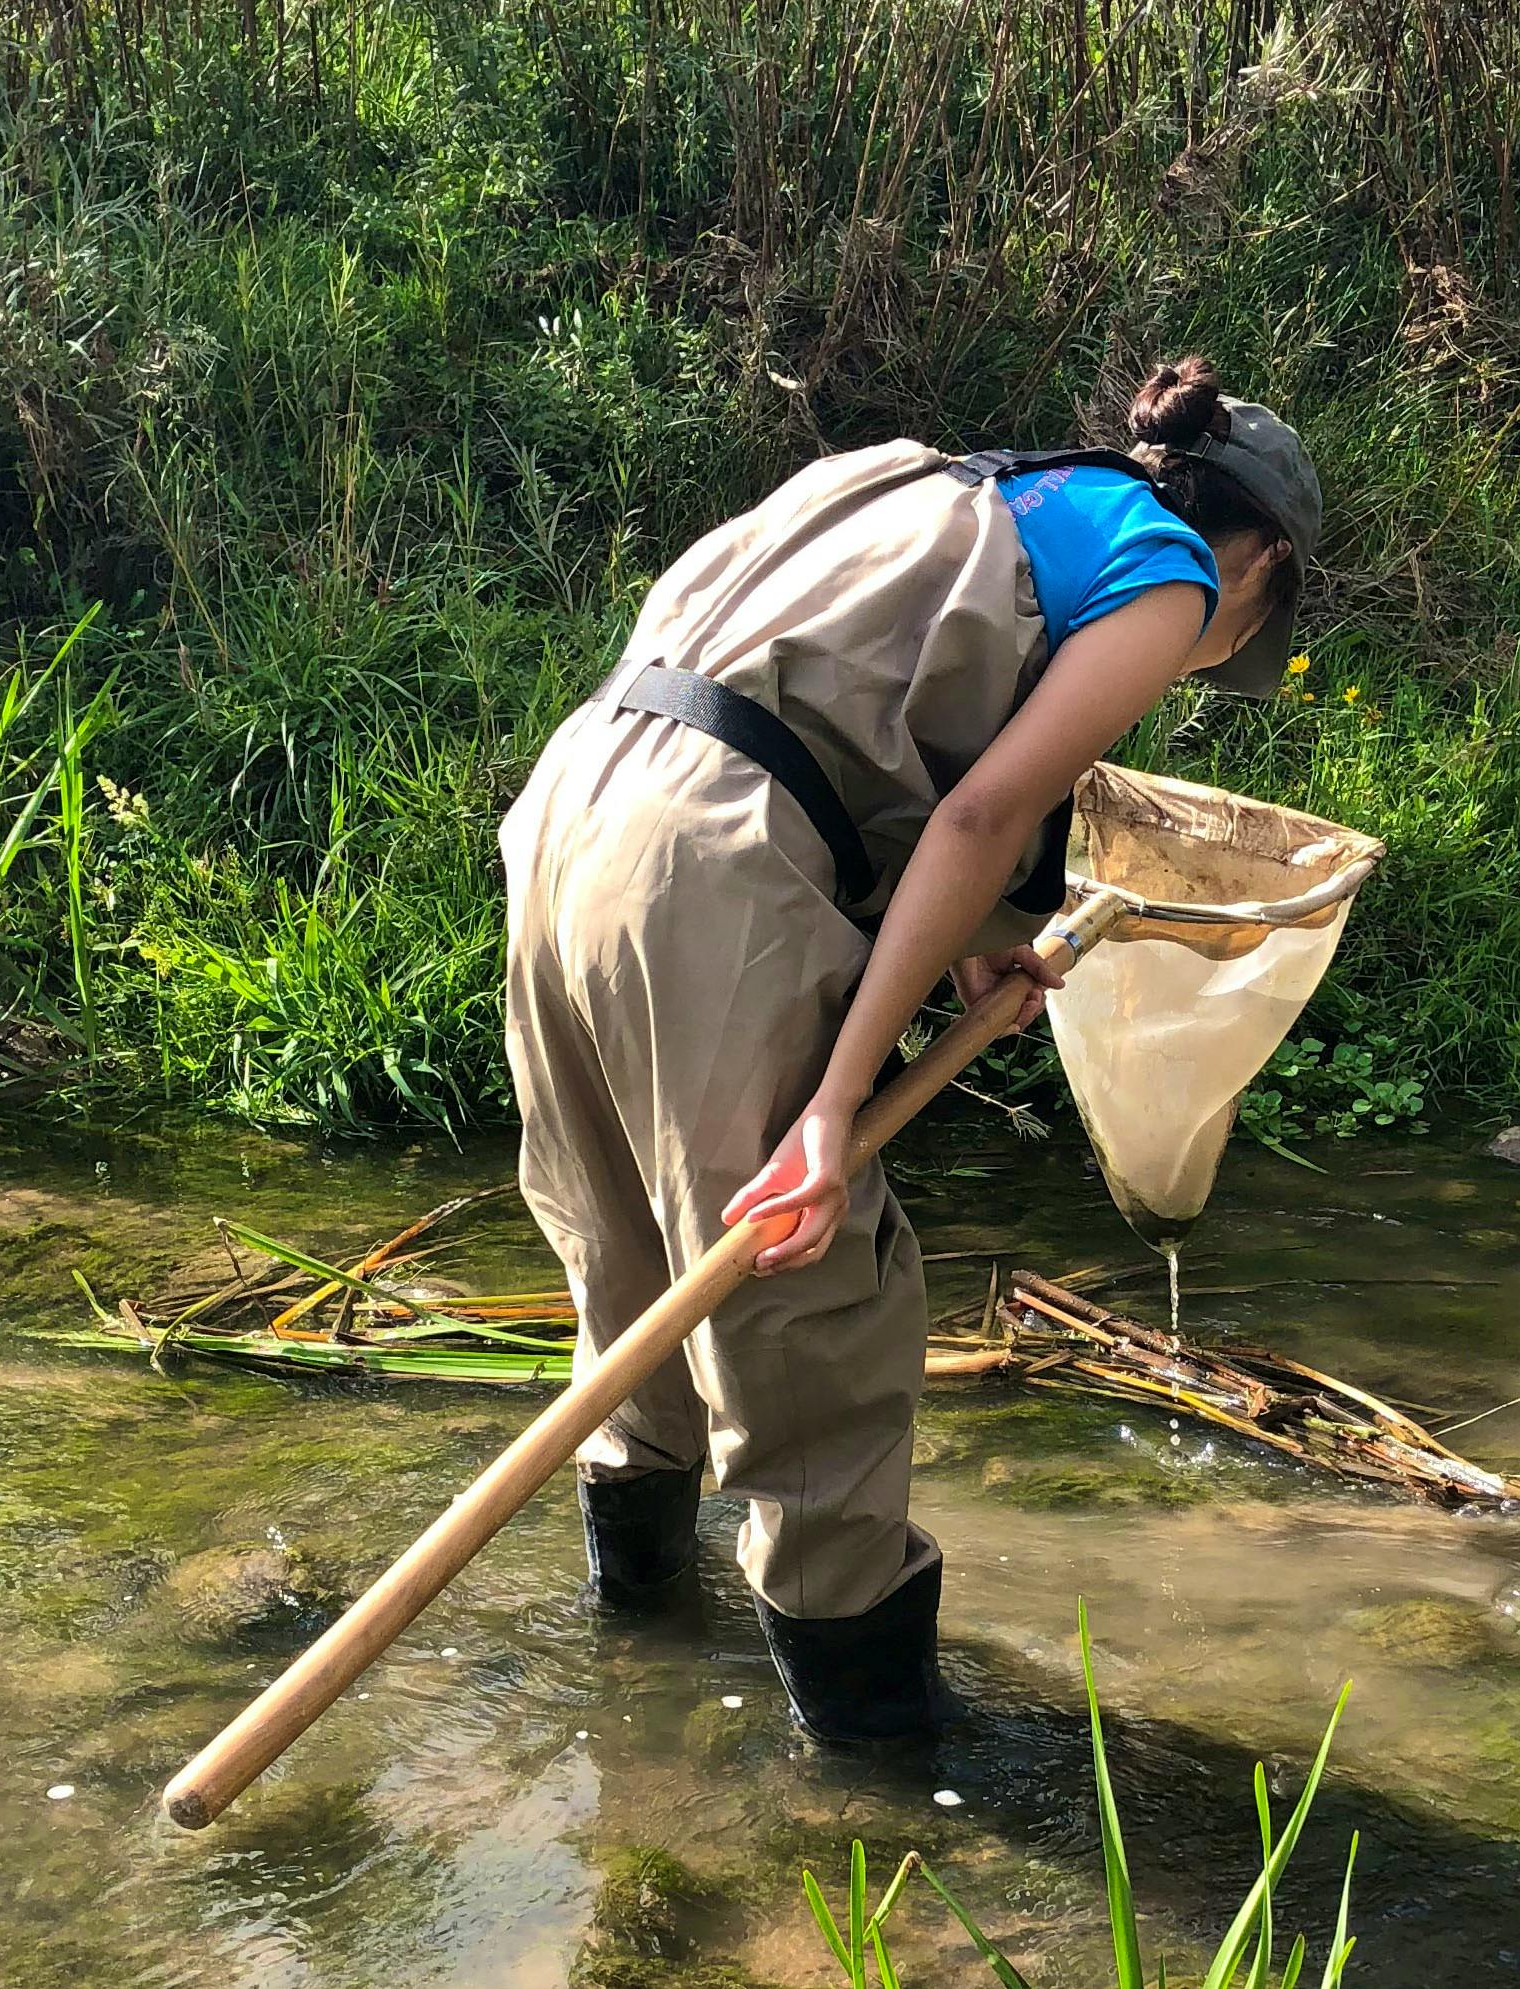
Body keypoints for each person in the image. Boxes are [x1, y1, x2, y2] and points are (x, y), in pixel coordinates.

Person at [499, 356, 1320, 1740]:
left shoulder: (925, 478)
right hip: (711, 870)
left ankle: (635, 1700)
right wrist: (831, 1104)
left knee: (635, 1274)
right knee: (810, 1315)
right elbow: (981, 817)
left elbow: (834, 737)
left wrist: (956, 964)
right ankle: (881, 1776)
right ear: (1264, 565)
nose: (1201, 654)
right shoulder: (1168, 564)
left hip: (570, 817)